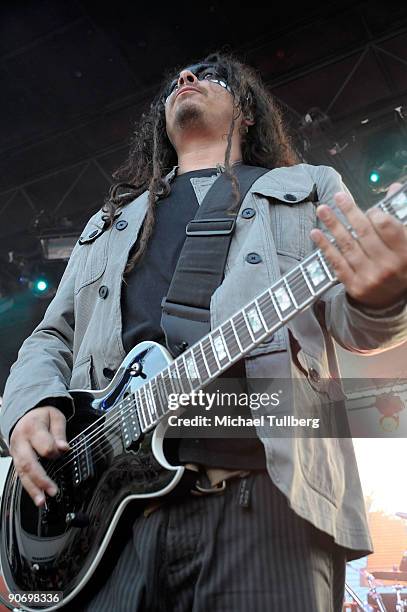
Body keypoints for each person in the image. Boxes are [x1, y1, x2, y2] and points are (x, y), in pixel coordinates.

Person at [1, 51, 407, 611]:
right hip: (112, 528)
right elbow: (51, 337)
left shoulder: (307, 189)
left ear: (246, 111)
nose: (187, 79)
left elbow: (352, 319)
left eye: (209, 76)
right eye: (177, 80)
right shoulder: (106, 226)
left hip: (265, 500)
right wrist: (29, 404)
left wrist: (383, 296)